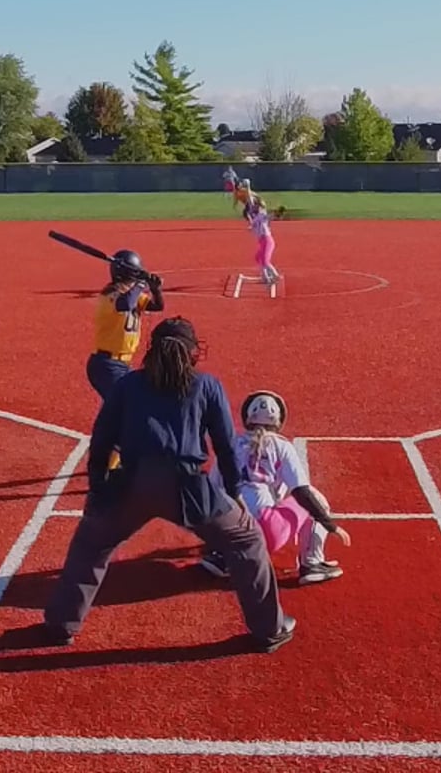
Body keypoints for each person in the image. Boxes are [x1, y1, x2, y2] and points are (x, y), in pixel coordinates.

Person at [43, 317, 293, 653]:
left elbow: (101, 439)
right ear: (193, 352)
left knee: (91, 544)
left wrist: (99, 488)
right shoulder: (206, 385)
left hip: (131, 482)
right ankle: (269, 629)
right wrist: (234, 493)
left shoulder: (127, 385)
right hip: (187, 486)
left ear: (151, 349)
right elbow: (224, 446)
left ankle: (62, 624)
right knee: (247, 540)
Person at [200, 390, 350, 585]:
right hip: (266, 533)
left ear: (248, 418)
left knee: (225, 504)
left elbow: (211, 491)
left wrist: (213, 538)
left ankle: (222, 556)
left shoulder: (232, 444)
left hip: (233, 532)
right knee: (315, 496)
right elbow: (301, 492)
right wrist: (331, 525)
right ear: (278, 420)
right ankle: (312, 563)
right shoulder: (282, 446)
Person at [86, 250, 165, 399]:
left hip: (123, 364)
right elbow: (125, 304)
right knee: (127, 403)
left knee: (123, 404)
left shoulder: (133, 296)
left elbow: (158, 306)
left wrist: (155, 289)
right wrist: (141, 284)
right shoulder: (109, 296)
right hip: (106, 365)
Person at [247, 197, 280, 286]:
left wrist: (276, 214)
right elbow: (253, 224)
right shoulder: (255, 218)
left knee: (265, 261)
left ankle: (275, 276)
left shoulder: (262, 214)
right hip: (262, 242)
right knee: (258, 258)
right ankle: (265, 277)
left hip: (267, 241)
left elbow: (268, 216)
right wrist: (251, 226)